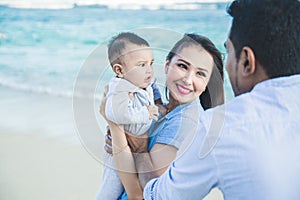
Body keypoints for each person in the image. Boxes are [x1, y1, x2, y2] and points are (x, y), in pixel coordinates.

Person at [138, 0, 300, 199]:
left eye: (229, 51)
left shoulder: (223, 127)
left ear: (247, 61)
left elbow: (160, 197)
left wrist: (136, 147)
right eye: (182, 66)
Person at [100, 33, 224, 199]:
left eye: (200, 74)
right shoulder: (167, 109)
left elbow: (141, 195)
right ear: (167, 65)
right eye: (183, 66)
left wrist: (118, 130)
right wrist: (122, 140)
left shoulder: (184, 123)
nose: (188, 80)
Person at [96, 32, 160, 200]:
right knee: (110, 190)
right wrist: (145, 113)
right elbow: (115, 114)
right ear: (119, 70)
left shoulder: (144, 81)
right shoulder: (119, 87)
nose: (149, 70)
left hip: (134, 147)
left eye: (150, 63)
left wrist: (161, 106)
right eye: (141, 65)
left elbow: (154, 92)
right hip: (117, 149)